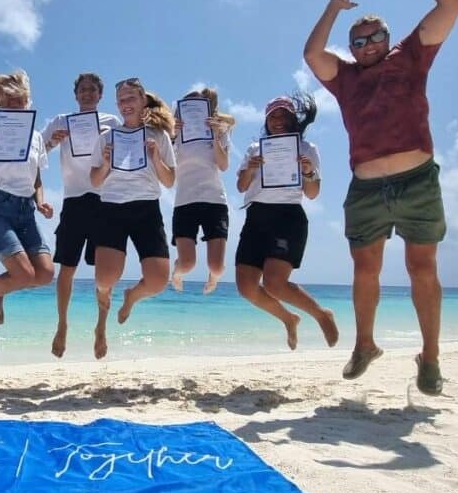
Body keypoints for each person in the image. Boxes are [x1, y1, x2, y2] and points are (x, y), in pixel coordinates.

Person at [303, 0, 458, 395]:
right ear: (351, 49)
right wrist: (334, 9)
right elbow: (313, 53)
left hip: (416, 181)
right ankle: (365, 345)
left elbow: (453, 0)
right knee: (364, 269)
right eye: (359, 41)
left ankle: (430, 356)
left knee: (422, 267)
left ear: (388, 37)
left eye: (375, 36)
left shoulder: (411, 56)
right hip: (367, 188)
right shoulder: (346, 78)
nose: (368, 44)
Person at [234, 94, 339, 351]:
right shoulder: (255, 149)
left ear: (292, 120)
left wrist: (308, 172)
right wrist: (250, 168)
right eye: (272, 116)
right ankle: (289, 319)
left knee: (274, 283)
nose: (277, 121)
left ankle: (322, 315)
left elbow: (313, 193)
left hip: (287, 217)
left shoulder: (306, 149)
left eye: (283, 115)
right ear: (266, 121)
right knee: (246, 287)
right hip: (256, 217)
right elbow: (241, 186)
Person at [0, 71, 54, 346]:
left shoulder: (36, 137)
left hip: (25, 211)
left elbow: (37, 177)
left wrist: (40, 202)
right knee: (24, 274)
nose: (16, 105)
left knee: (45, 274)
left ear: (28, 102)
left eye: (20, 100)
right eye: (9, 101)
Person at [89, 78, 176, 359]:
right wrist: (104, 163)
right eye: (121, 100)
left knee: (159, 281)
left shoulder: (158, 136)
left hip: (146, 208)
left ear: (142, 102)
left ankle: (130, 297)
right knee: (104, 279)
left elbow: (170, 180)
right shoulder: (106, 137)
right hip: (112, 207)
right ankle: (101, 325)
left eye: (131, 99)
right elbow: (95, 180)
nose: (126, 104)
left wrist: (155, 157)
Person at [41, 73, 121, 358]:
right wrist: (53, 141)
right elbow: (36, 151)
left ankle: (101, 327)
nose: (87, 94)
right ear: (75, 95)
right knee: (67, 268)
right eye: (82, 90)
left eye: (92, 90)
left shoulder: (112, 122)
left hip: (105, 200)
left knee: (104, 273)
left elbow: (129, 151)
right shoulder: (61, 121)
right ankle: (62, 324)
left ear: (100, 95)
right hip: (74, 199)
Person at [170, 88, 235, 295]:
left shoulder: (220, 131)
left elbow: (223, 165)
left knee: (216, 266)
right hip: (184, 201)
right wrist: (172, 135)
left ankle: (213, 278)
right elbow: (166, 165)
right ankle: (177, 272)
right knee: (187, 264)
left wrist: (215, 135)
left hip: (214, 200)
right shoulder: (174, 134)